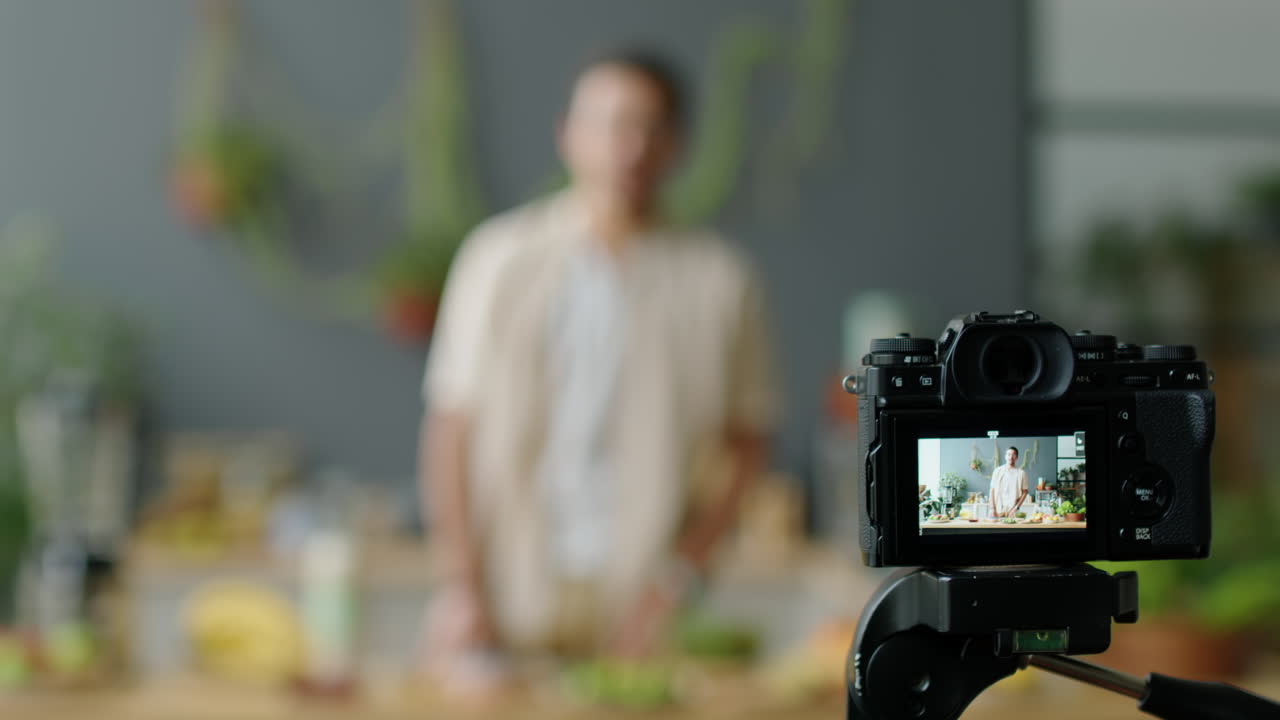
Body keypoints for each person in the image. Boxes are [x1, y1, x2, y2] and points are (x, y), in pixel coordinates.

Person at [418, 50, 779, 686]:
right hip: (508, 595)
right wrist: (463, 586)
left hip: (645, 610)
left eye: (649, 126)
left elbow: (747, 445)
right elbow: (451, 430)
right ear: (568, 134)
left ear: (675, 145)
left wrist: (676, 584)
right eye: (610, 123)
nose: (629, 146)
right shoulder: (498, 260)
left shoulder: (722, 281)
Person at [990, 446, 1028, 518]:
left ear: (1016, 457)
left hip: (1013, 510)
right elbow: (992, 490)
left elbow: (1025, 492)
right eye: (1008, 454)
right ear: (1005, 456)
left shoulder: (1021, 473)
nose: (1011, 457)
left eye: (1013, 455)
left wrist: (1016, 508)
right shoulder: (997, 471)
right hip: (997, 509)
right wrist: (993, 508)